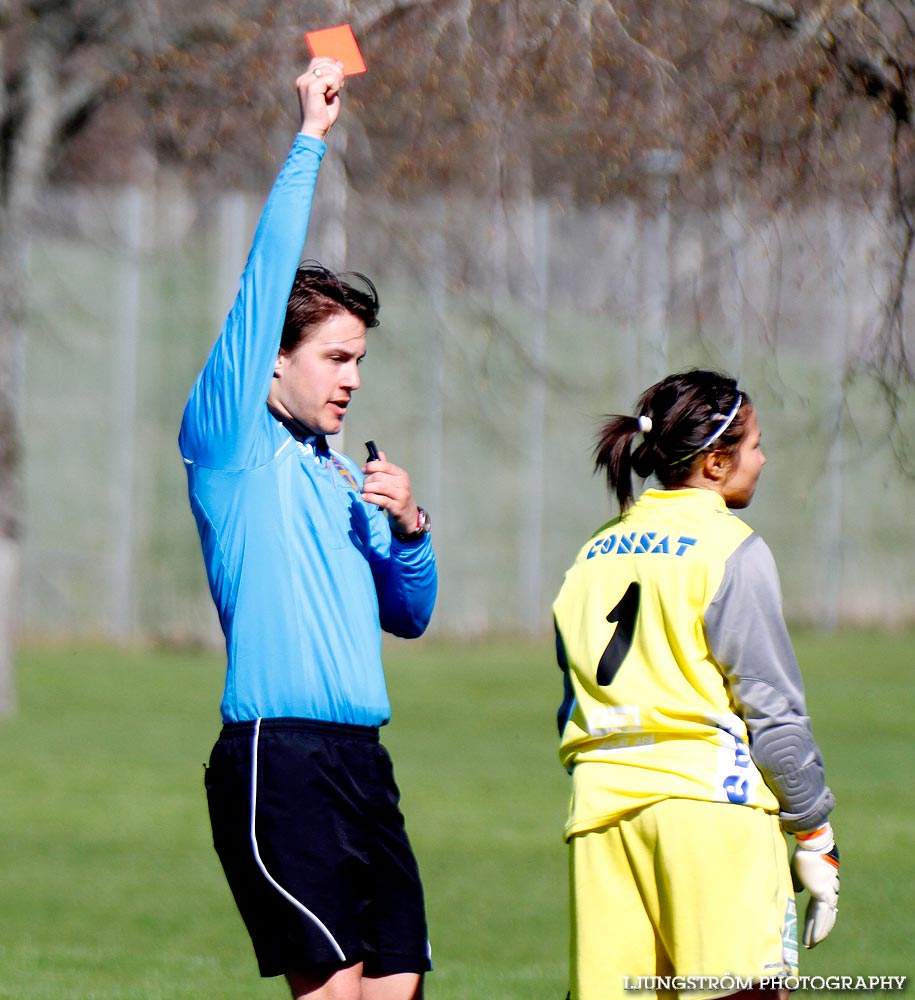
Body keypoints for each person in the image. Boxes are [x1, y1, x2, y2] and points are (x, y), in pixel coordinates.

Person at [178, 58, 436, 1000]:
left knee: (398, 984)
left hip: (363, 763)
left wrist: (407, 526)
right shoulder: (230, 440)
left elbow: (409, 615)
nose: (351, 378)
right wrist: (310, 139)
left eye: (359, 359)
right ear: (272, 360)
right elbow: (263, 279)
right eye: (334, 356)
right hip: (277, 761)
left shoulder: (339, 476)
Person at [552, 370, 839, 1000]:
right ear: (714, 462)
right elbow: (773, 713)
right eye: (756, 443)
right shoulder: (731, 548)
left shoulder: (593, 550)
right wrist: (816, 832)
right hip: (711, 810)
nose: (763, 458)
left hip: (601, 816)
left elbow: (571, 699)